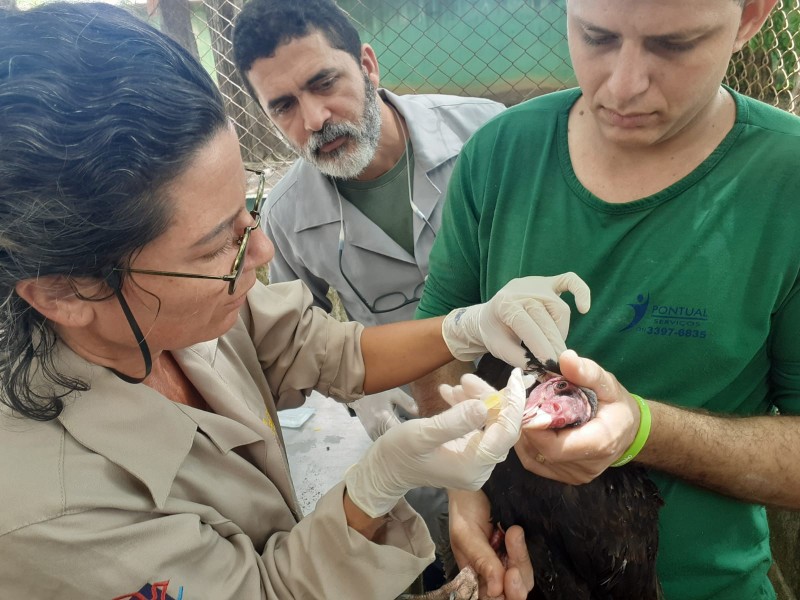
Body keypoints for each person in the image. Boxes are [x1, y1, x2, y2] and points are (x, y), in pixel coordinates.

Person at [0, 3, 591, 598]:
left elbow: (325, 347)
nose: (258, 251)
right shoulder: (50, 513)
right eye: (215, 247)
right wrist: (375, 487)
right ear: (64, 291)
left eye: (246, 212)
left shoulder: (190, 307)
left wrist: (467, 326)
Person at [414, 0, 800, 598]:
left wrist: (642, 429)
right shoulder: (498, 153)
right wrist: (462, 489)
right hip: (516, 574)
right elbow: (437, 346)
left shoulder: (786, 180)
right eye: (595, 35)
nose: (622, 86)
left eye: (673, 45)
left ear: (750, 17)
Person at [230, 0, 505, 580]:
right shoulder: (283, 215)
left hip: (522, 378)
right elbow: (293, 343)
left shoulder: (485, 132)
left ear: (369, 64)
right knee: (454, 557)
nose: (314, 118)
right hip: (409, 417)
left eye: (324, 82)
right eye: (283, 106)